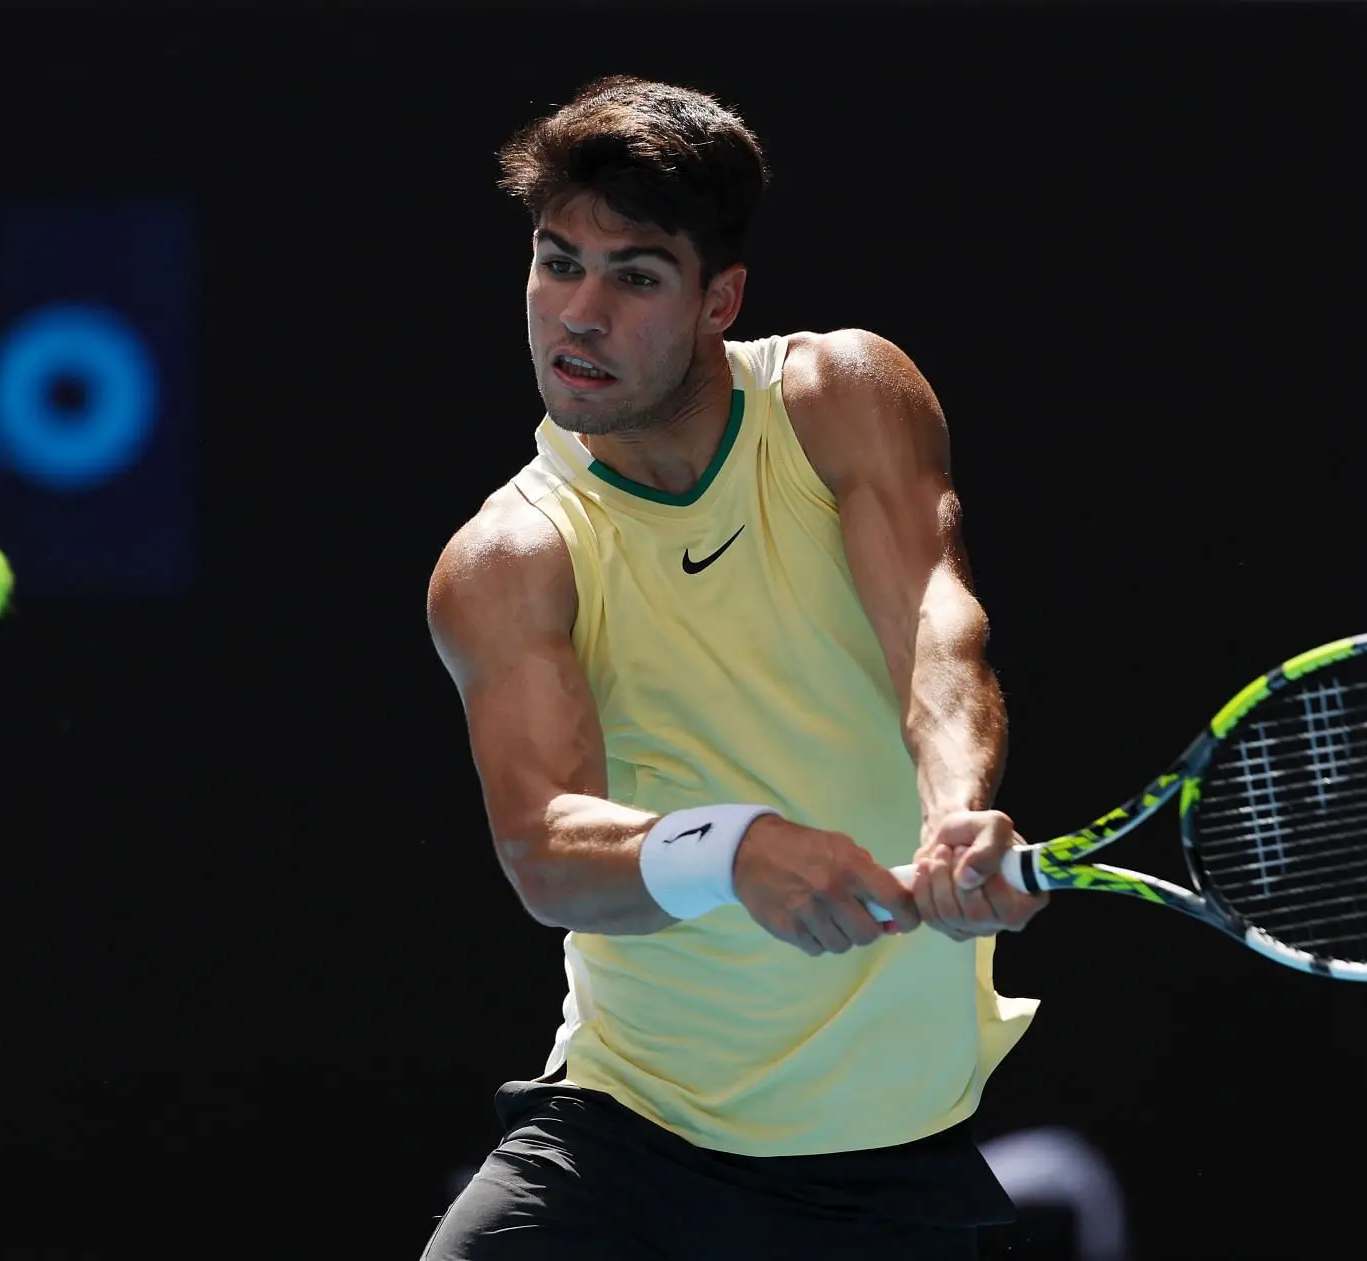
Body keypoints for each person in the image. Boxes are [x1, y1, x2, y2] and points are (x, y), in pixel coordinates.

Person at [421, 75, 1050, 1261]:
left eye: (635, 275)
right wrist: (734, 847)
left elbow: (932, 616)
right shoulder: (511, 556)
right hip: (627, 1141)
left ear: (722, 300)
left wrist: (958, 811)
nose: (580, 314)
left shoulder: (839, 395)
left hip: (887, 1169)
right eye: (557, 262)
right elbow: (545, 849)